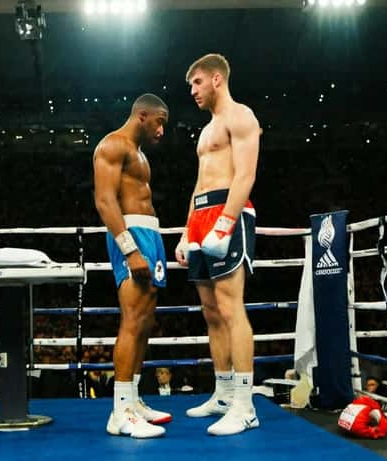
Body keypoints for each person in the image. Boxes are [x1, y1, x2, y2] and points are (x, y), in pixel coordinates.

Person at [176, 53, 262, 436]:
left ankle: (245, 405)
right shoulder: (206, 130)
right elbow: (198, 184)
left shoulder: (240, 116)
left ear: (215, 79)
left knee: (231, 307)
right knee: (210, 311)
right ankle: (224, 393)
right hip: (201, 217)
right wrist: (186, 232)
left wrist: (226, 223)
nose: (192, 90)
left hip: (229, 212)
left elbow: (245, 175)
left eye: (196, 82)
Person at [93, 93, 170, 439]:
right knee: (132, 319)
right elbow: (104, 200)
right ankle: (120, 411)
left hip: (150, 233)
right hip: (132, 234)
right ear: (142, 115)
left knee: (147, 320)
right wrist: (129, 250)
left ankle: (134, 400)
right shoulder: (113, 145)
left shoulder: (139, 155)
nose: (162, 130)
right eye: (159, 122)